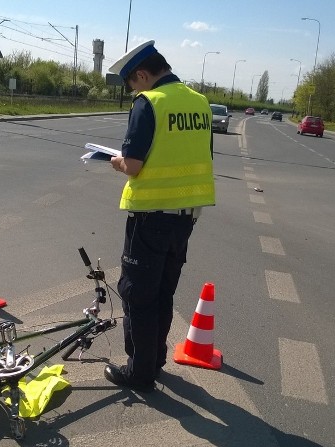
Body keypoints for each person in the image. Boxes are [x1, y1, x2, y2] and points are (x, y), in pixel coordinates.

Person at [104, 40, 215, 392]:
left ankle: (139, 373)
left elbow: (133, 165)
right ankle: (155, 360)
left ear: (141, 74)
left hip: (150, 217)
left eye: (133, 84)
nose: (134, 91)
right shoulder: (200, 103)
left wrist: (116, 162)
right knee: (163, 292)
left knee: (138, 294)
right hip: (186, 217)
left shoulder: (149, 103)